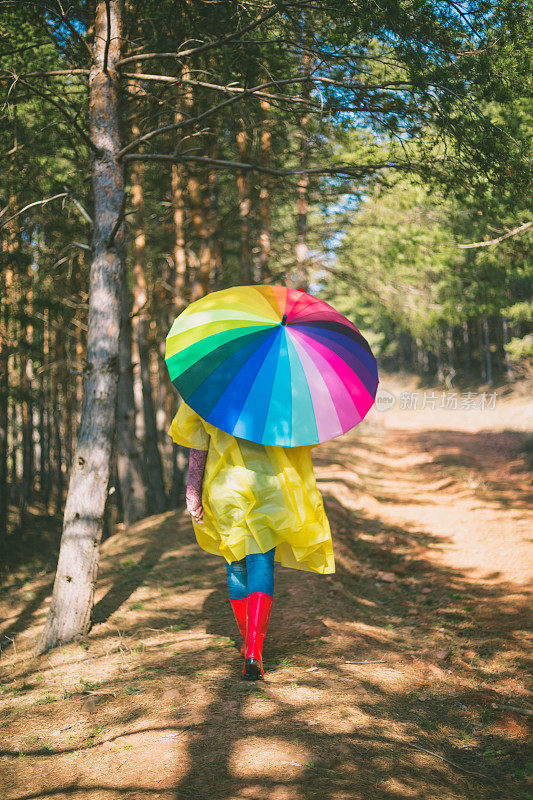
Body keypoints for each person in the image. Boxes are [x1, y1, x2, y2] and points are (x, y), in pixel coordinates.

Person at [168, 400, 335, 680]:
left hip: (225, 490)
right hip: (267, 488)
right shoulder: (275, 388)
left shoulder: (207, 388)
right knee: (261, 562)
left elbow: (197, 451)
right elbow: (297, 438)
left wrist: (193, 492)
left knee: (236, 564)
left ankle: (248, 641)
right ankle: (254, 651)